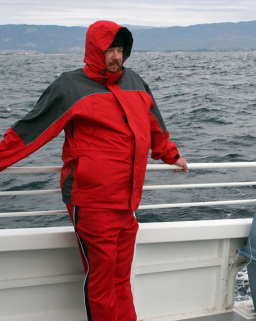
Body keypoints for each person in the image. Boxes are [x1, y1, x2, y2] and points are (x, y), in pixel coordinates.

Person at [0, 20, 188, 321]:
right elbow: (29, 131)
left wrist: (170, 154)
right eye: (108, 50)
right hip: (91, 203)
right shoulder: (70, 86)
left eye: (119, 49)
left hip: (128, 203)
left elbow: (155, 125)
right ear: (93, 52)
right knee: (101, 283)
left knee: (121, 280)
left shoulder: (135, 81)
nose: (116, 56)